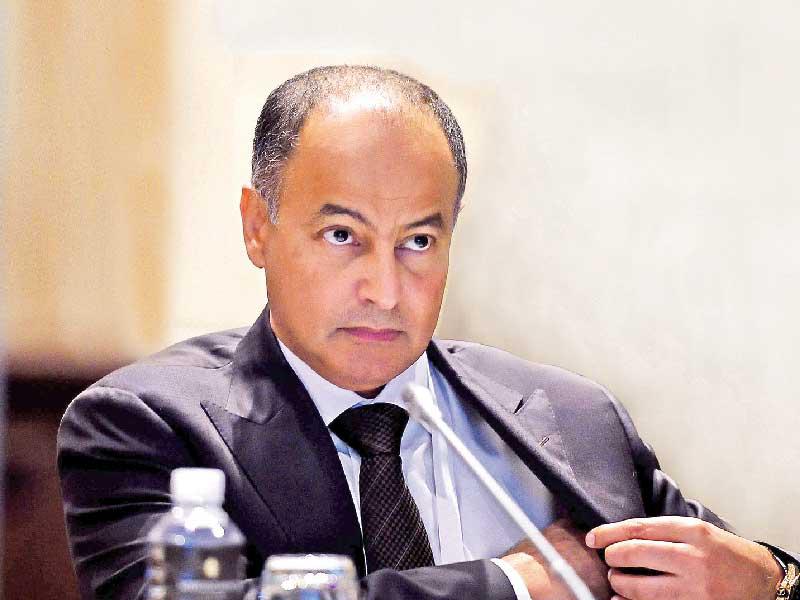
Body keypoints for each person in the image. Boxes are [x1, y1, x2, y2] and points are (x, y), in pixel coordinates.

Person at [58, 65, 799, 600]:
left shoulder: (574, 418)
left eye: (418, 241)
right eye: (343, 235)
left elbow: (721, 570)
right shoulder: (145, 425)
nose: (384, 291)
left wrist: (772, 579)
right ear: (258, 226)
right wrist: (510, 584)